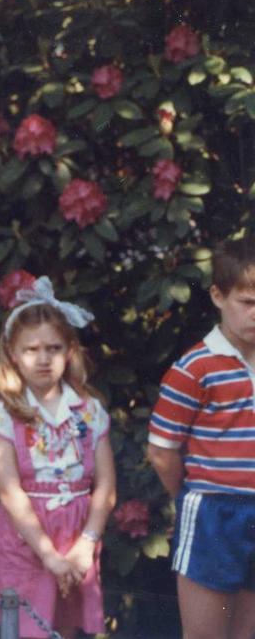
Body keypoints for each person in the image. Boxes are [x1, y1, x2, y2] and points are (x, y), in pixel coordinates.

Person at [0, 277, 115, 639]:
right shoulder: (2, 415)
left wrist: (86, 544)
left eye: (54, 348)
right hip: (25, 539)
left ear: (70, 351)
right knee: (27, 628)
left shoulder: (89, 411)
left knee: (67, 629)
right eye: (32, 350)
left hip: (78, 536)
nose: (44, 359)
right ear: (13, 354)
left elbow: (106, 485)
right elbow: (10, 492)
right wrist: (48, 554)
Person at [148, 236, 255, 639]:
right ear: (217, 295)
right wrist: (188, 495)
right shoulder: (194, 368)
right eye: (248, 302)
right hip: (213, 511)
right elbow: (162, 451)